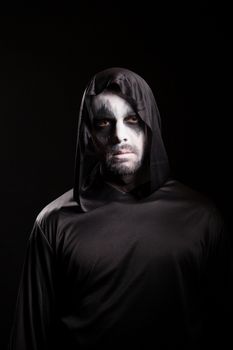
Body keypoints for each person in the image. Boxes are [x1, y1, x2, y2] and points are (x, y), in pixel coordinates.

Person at [9, 67, 232, 350]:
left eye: (132, 119)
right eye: (104, 123)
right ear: (89, 133)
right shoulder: (54, 223)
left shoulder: (201, 217)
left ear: (151, 125)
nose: (119, 135)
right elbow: (26, 339)